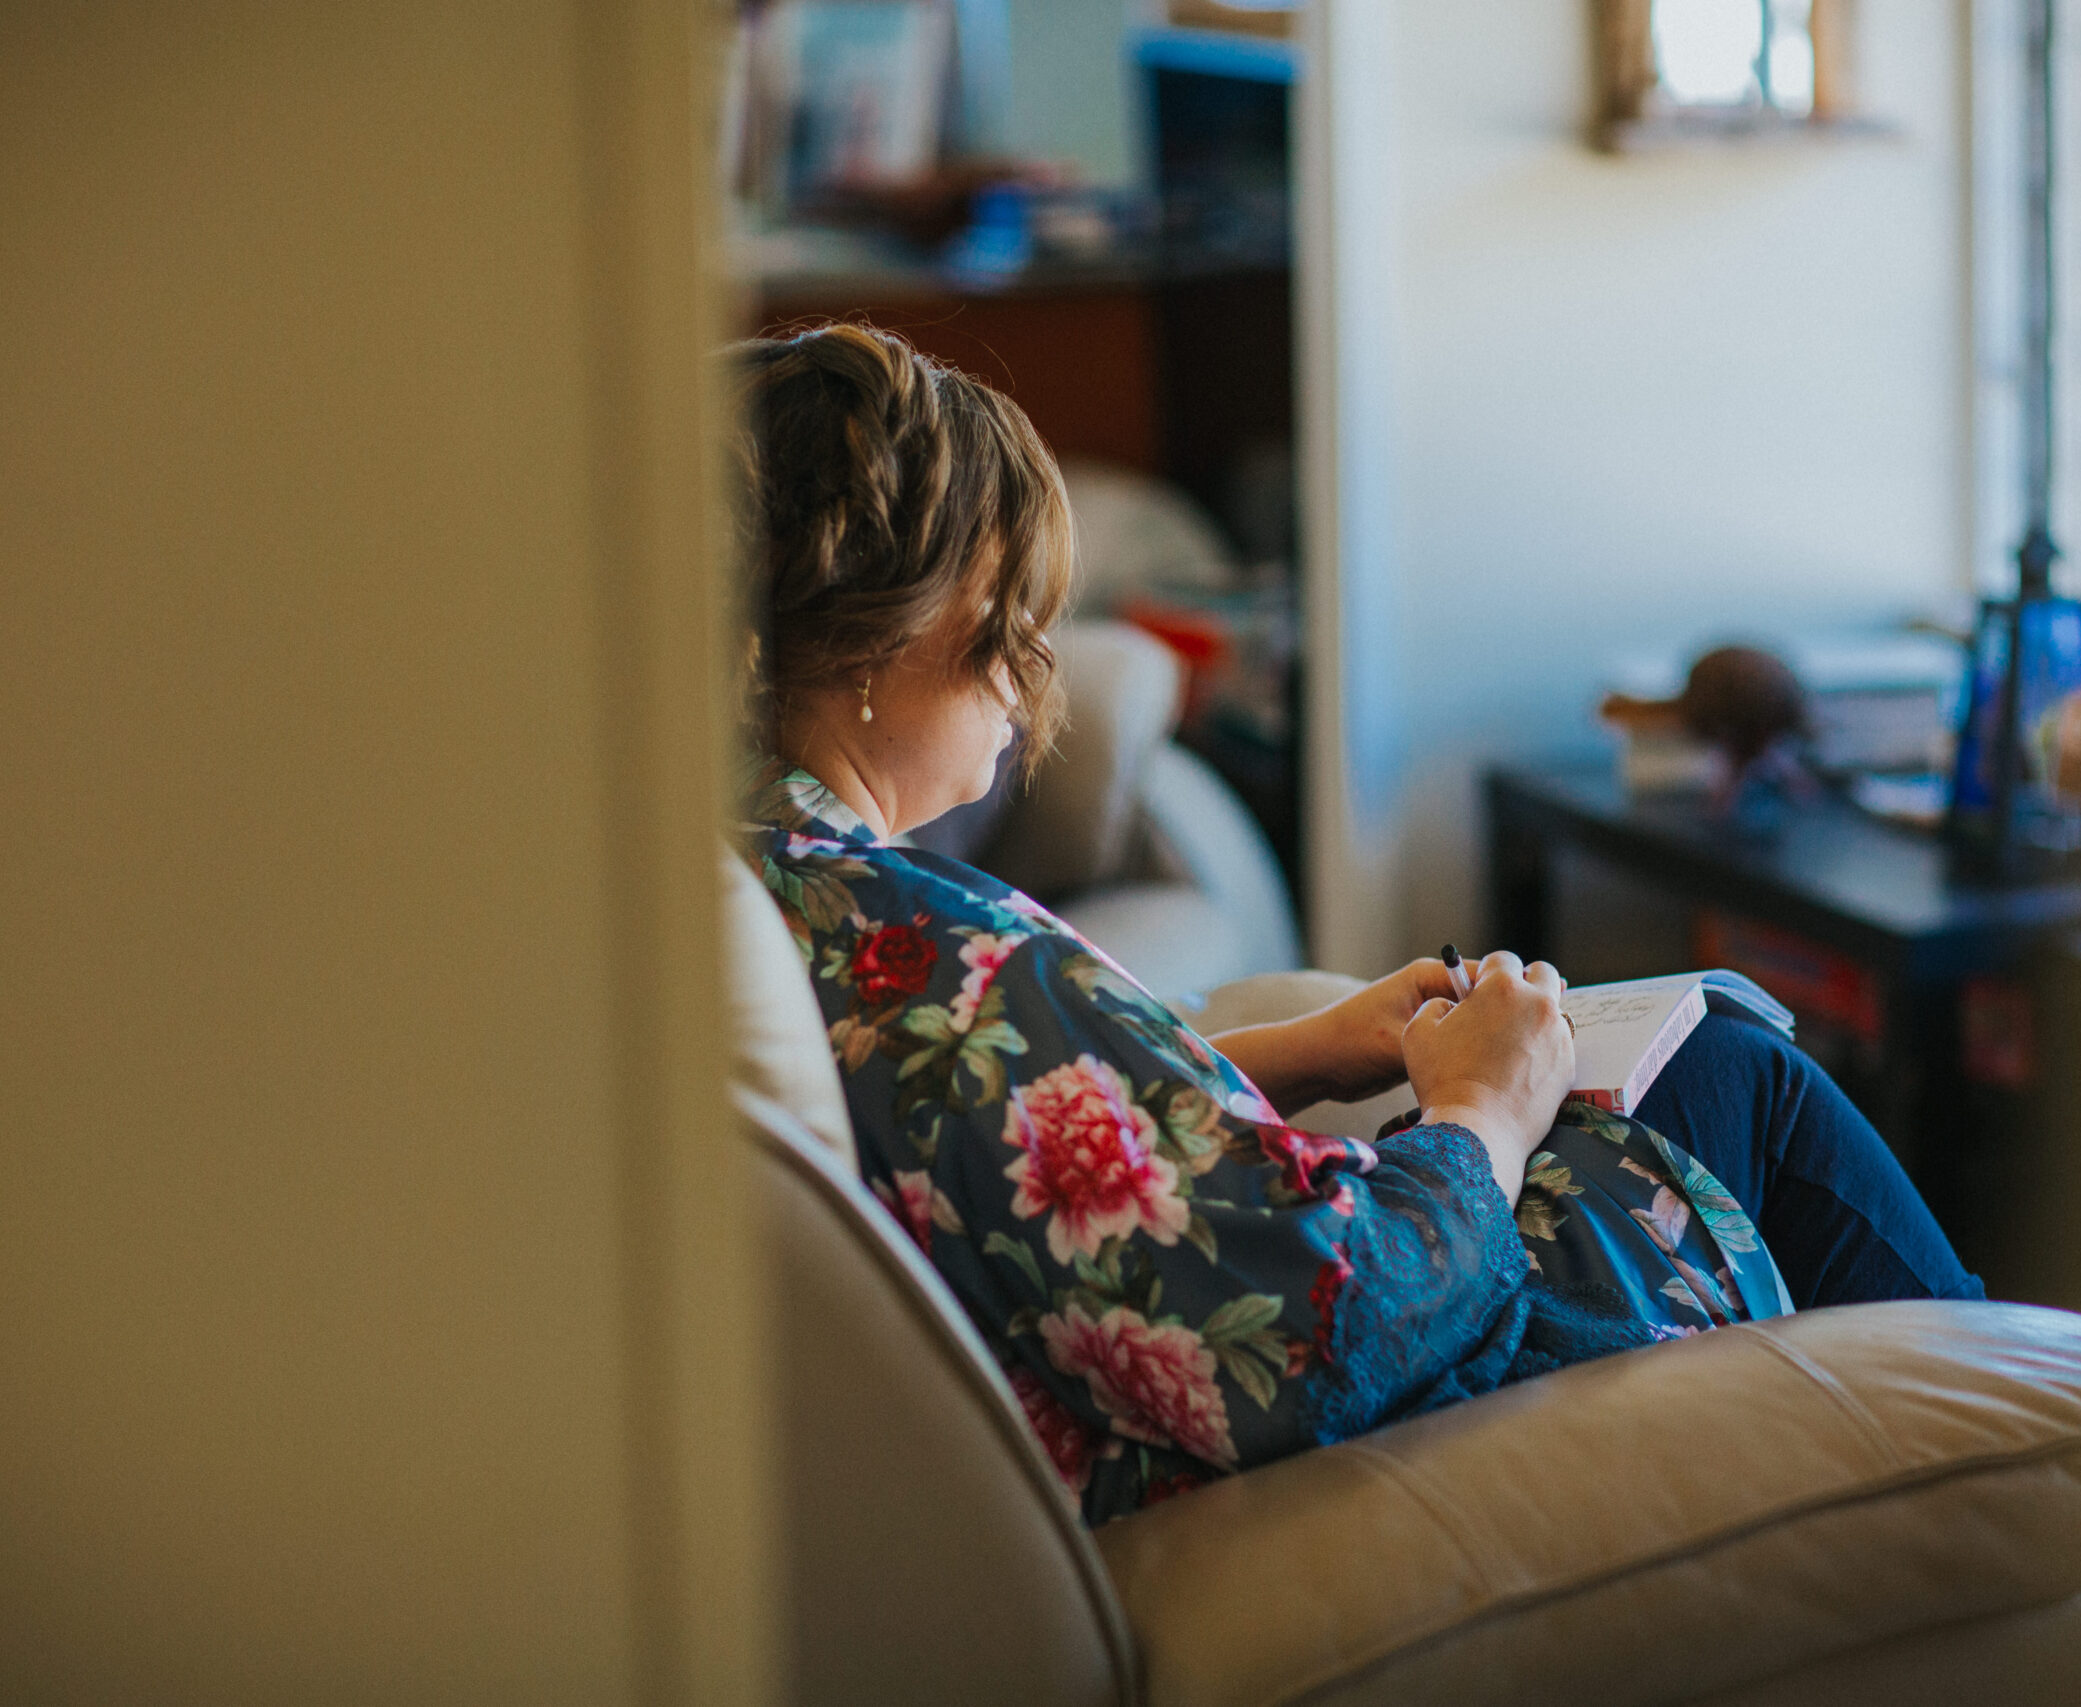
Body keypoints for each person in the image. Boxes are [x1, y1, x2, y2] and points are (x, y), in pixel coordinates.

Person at [735, 324, 1983, 1525]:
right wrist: (1481, 1111)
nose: (1033, 656)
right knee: (1727, 1073)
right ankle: (2029, 1437)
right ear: (863, 632)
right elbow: (1326, 1334)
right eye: (1001, 604)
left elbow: (1005, 1133)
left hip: (1166, 1368)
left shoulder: (791, 892)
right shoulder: (926, 954)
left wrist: (1310, 1048)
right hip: (1349, 1395)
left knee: (1681, 1064)